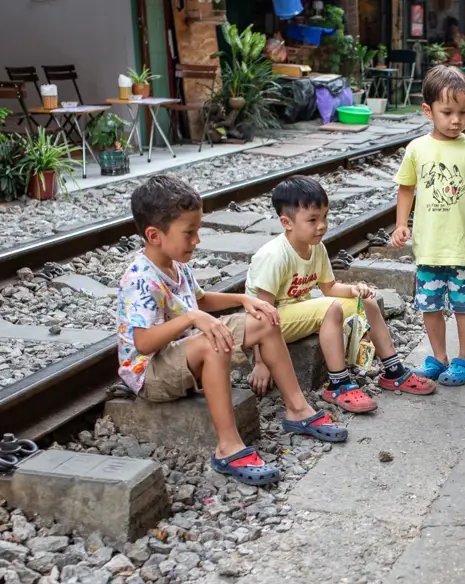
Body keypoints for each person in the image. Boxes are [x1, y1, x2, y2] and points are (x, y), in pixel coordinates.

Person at [116, 175, 347, 487]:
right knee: (214, 343)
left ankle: (297, 410)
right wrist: (191, 320)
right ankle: (228, 447)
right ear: (155, 235)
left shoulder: (175, 262)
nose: (196, 240)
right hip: (150, 372)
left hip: (185, 351)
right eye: (189, 233)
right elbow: (142, 344)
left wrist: (242, 299)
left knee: (267, 318)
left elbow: (200, 301)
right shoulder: (141, 277)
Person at [245, 176, 436, 410]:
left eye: (325, 216)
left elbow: (329, 288)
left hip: (296, 314)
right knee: (330, 307)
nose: (322, 225)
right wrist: (261, 362)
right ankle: (339, 384)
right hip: (272, 323)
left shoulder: (316, 247)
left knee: (367, 301)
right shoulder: (274, 256)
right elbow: (260, 314)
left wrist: (355, 290)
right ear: (287, 222)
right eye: (312, 220)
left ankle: (393, 370)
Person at [390, 66, 465, 386]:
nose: (456, 120)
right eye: (447, 112)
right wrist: (401, 225)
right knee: (429, 305)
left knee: (463, 305)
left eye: (463, 112)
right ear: (428, 111)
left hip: (463, 246)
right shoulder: (417, 149)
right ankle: (439, 356)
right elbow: (406, 188)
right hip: (428, 246)